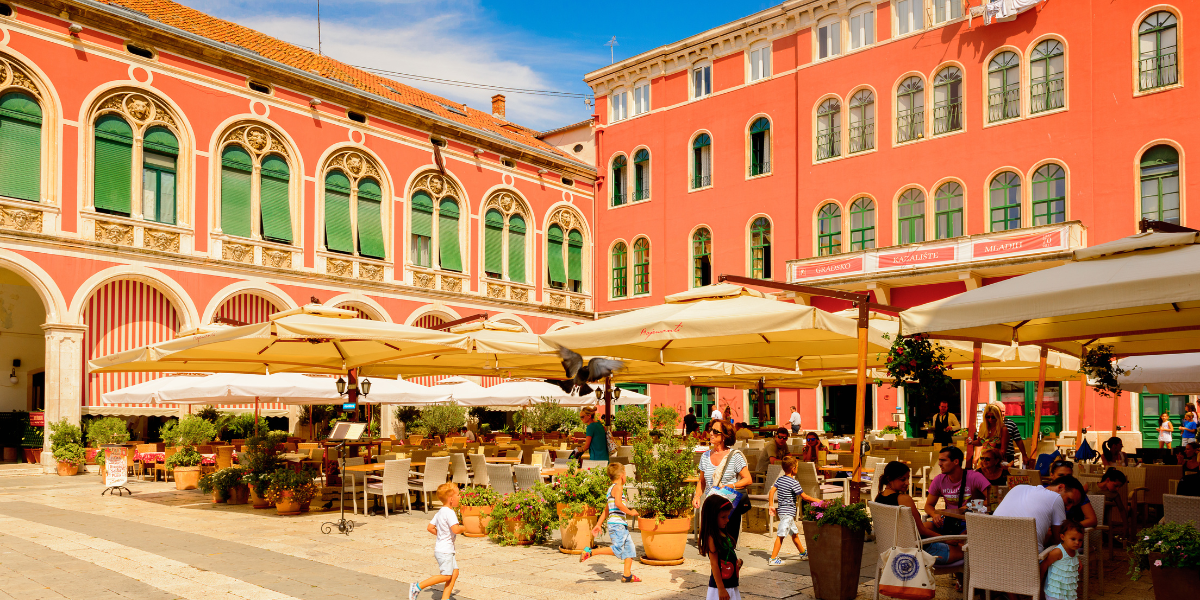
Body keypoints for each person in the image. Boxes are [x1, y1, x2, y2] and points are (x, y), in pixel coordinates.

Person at [874, 461, 963, 565]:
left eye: (908, 479)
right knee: (968, 552)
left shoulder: (878, 498)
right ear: (889, 479)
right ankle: (967, 581)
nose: (907, 483)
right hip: (919, 552)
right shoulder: (904, 499)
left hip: (894, 551)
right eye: (903, 479)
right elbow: (921, 530)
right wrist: (945, 540)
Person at [692, 420, 753, 545]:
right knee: (711, 547)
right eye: (710, 430)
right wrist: (697, 496)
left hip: (728, 508)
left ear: (725, 435)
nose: (711, 434)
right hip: (711, 507)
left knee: (727, 546)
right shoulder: (705, 456)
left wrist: (731, 486)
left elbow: (748, 479)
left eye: (715, 431)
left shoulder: (734, 456)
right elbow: (702, 482)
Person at [580, 463, 641, 582]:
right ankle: (590, 552)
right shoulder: (618, 487)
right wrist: (630, 512)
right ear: (622, 476)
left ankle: (627, 575)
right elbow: (618, 503)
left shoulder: (610, 489)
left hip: (619, 525)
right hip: (617, 525)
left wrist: (598, 524)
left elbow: (606, 510)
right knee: (618, 549)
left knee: (630, 549)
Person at [994, 476, 1085, 552]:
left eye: (1072, 505)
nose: (1068, 507)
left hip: (992, 553)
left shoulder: (1018, 487)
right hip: (1028, 560)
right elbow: (1060, 540)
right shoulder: (1056, 498)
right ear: (1060, 488)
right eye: (1069, 501)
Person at [409, 482, 465, 600]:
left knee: (454, 573)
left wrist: (442, 535)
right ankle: (417, 586)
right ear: (451, 499)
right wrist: (466, 528)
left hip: (441, 549)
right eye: (458, 495)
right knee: (446, 576)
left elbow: (430, 527)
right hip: (445, 551)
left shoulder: (440, 511)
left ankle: (445, 598)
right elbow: (455, 529)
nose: (460, 497)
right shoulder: (450, 512)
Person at [924, 446, 990, 535]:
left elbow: (994, 500)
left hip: (971, 523)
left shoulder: (975, 477)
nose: (939, 463)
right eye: (939, 460)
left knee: (960, 539)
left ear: (956, 461)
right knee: (921, 529)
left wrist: (970, 505)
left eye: (943, 460)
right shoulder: (939, 479)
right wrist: (934, 515)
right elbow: (928, 505)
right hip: (949, 522)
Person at [767, 456, 817, 565]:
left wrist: (771, 505)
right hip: (788, 513)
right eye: (797, 467)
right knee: (781, 535)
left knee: (794, 534)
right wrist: (818, 501)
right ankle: (773, 558)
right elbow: (805, 497)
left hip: (782, 512)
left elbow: (771, 492)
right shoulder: (794, 482)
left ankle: (803, 553)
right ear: (793, 468)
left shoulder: (780, 479)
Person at [698, 495, 742, 600]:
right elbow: (714, 564)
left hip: (730, 584)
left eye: (727, 516)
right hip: (720, 588)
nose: (727, 520)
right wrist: (721, 589)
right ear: (712, 517)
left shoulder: (723, 533)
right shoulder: (712, 538)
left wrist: (737, 562)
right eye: (723, 517)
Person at [1041, 520, 1085, 600]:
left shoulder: (1074, 550)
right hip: (1055, 592)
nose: (1077, 543)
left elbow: (1073, 558)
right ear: (1062, 537)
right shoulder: (1058, 552)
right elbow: (1045, 564)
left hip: (1068, 590)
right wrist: (1039, 581)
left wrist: (1078, 561)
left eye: (1080, 540)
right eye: (1073, 539)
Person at [1047, 460, 1098, 528]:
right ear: (1052, 475)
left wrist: (1070, 528)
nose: (1065, 478)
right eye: (1061, 475)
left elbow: (1092, 520)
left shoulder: (1076, 494)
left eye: (1069, 476)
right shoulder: (1045, 491)